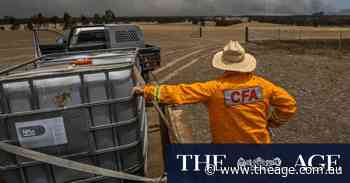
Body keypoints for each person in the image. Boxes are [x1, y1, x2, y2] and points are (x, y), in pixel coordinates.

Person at [133, 41, 297, 144]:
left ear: (224, 64)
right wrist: (272, 123)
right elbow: (289, 105)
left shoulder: (214, 88)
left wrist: (147, 91)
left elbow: (180, 92)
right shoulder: (264, 86)